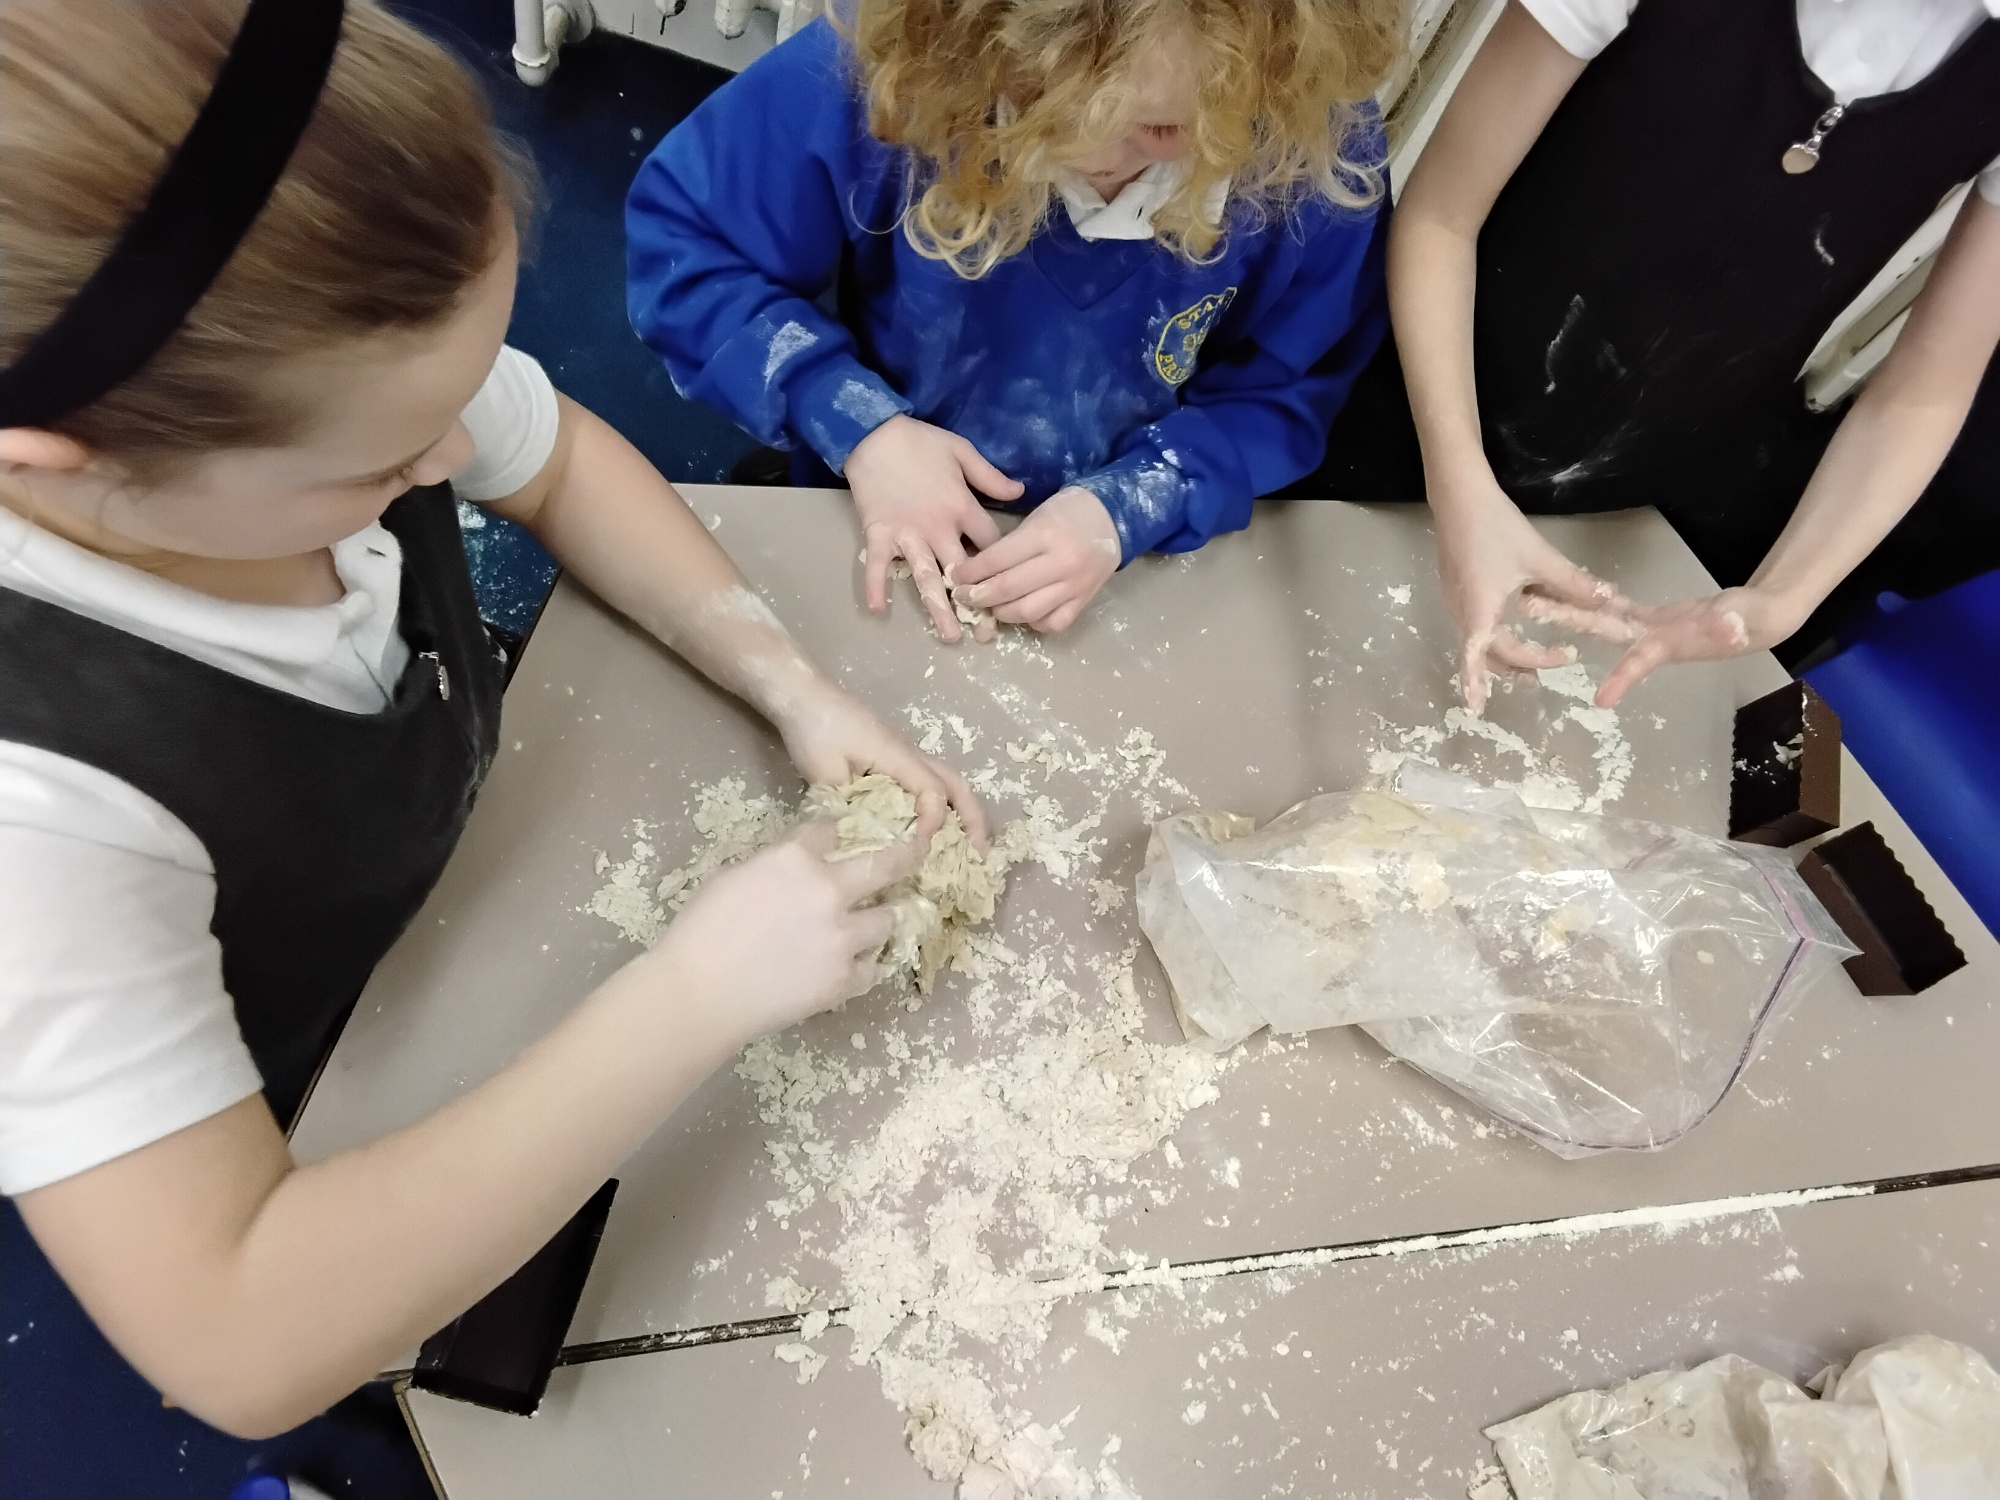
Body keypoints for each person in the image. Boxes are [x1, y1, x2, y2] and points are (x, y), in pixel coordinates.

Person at [0, 0, 981, 1469]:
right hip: (280, 1081)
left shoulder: (299, 399)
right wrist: (696, 992)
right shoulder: (39, 822)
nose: (457, 458)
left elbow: (559, 456)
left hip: (409, 882)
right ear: (60, 467)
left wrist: (792, 686)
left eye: (463, 392)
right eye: (388, 462)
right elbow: (237, 1334)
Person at [626, 0, 1403, 642]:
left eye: (1160, 128)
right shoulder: (895, 57)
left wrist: (1144, 498)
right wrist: (852, 419)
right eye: (1044, 102)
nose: (1091, 151)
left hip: (1126, 559)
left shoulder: (1313, 144)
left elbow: (1289, 390)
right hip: (879, 494)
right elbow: (689, 249)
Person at [1303, 0, 2000, 713]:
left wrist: (1785, 596)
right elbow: (1442, 219)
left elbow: (1925, 391)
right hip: (1419, 416)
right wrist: (1459, 482)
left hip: (1646, 518)